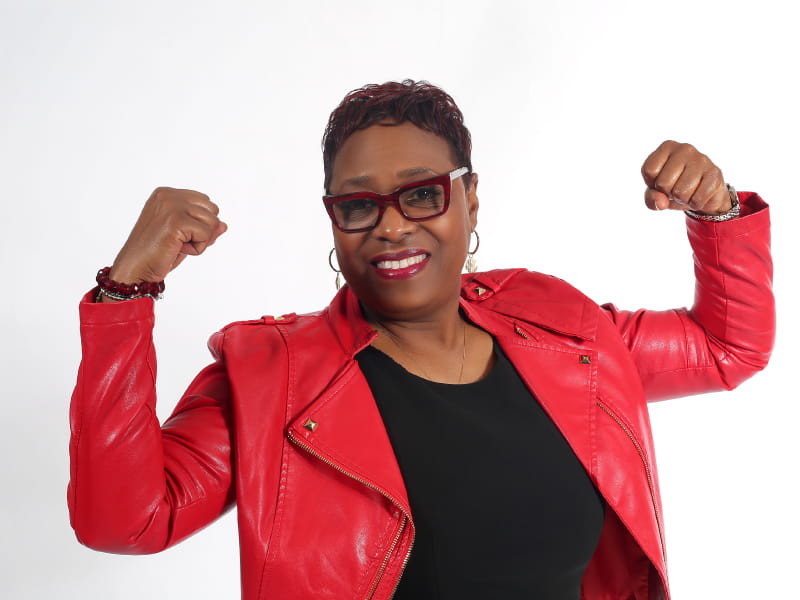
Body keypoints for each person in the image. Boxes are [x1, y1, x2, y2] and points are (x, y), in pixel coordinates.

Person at [69, 80, 774, 600]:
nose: (392, 226)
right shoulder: (270, 379)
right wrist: (126, 293)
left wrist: (716, 214)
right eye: (357, 205)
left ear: (471, 200)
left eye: (423, 193)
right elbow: (125, 521)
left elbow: (726, 349)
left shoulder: (564, 329)